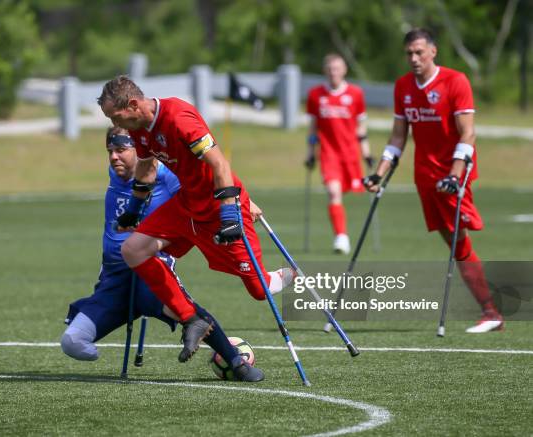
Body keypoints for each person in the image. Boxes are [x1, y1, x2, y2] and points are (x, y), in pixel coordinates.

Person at [97, 76, 294, 363]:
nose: (116, 123)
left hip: (218, 205)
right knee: (133, 249)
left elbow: (219, 164)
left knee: (259, 290)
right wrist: (134, 208)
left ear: (134, 105)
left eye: (116, 116)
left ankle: (288, 274)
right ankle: (191, 318)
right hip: (186, 206)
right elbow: (147, 167)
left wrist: (228, 212)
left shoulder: (178, 117)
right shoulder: (139, 129)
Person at [61, 126, 265, 381]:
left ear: (142, 152)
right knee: (71, 341)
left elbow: (205, 183)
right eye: (110, 151)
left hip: (150, 270)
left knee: (189, 314)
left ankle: (237, 362)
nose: (114, 157)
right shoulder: (116, 172)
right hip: (113, 280)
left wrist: (245, 202)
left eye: (122, 150)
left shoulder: (166, 175)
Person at [363, 28, 503, 333]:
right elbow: (399, 135)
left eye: (419, 52)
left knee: (460, 238)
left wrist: (454, 174)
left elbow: (468, 133)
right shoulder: (402, 86)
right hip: (424, 175)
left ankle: (491, 311)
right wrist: (379, 172)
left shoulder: (455, 81)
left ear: (433, 52)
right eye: (409, 54)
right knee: (455, 243)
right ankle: (490, 311)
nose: (413, 59)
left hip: (454, 174)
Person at [306, 53, 375, 254]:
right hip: (328, 153)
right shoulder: (315, 95)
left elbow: (361, 128)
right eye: (329, 69)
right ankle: (341, 237)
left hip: (351, 154)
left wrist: (367, 153)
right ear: (324, 71)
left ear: (344, 70)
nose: (333, 73)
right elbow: (313, 128)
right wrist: (310, 153)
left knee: (346, 191)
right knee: (334, 192)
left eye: (337, 68)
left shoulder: (355, 94)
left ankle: (342, 232)